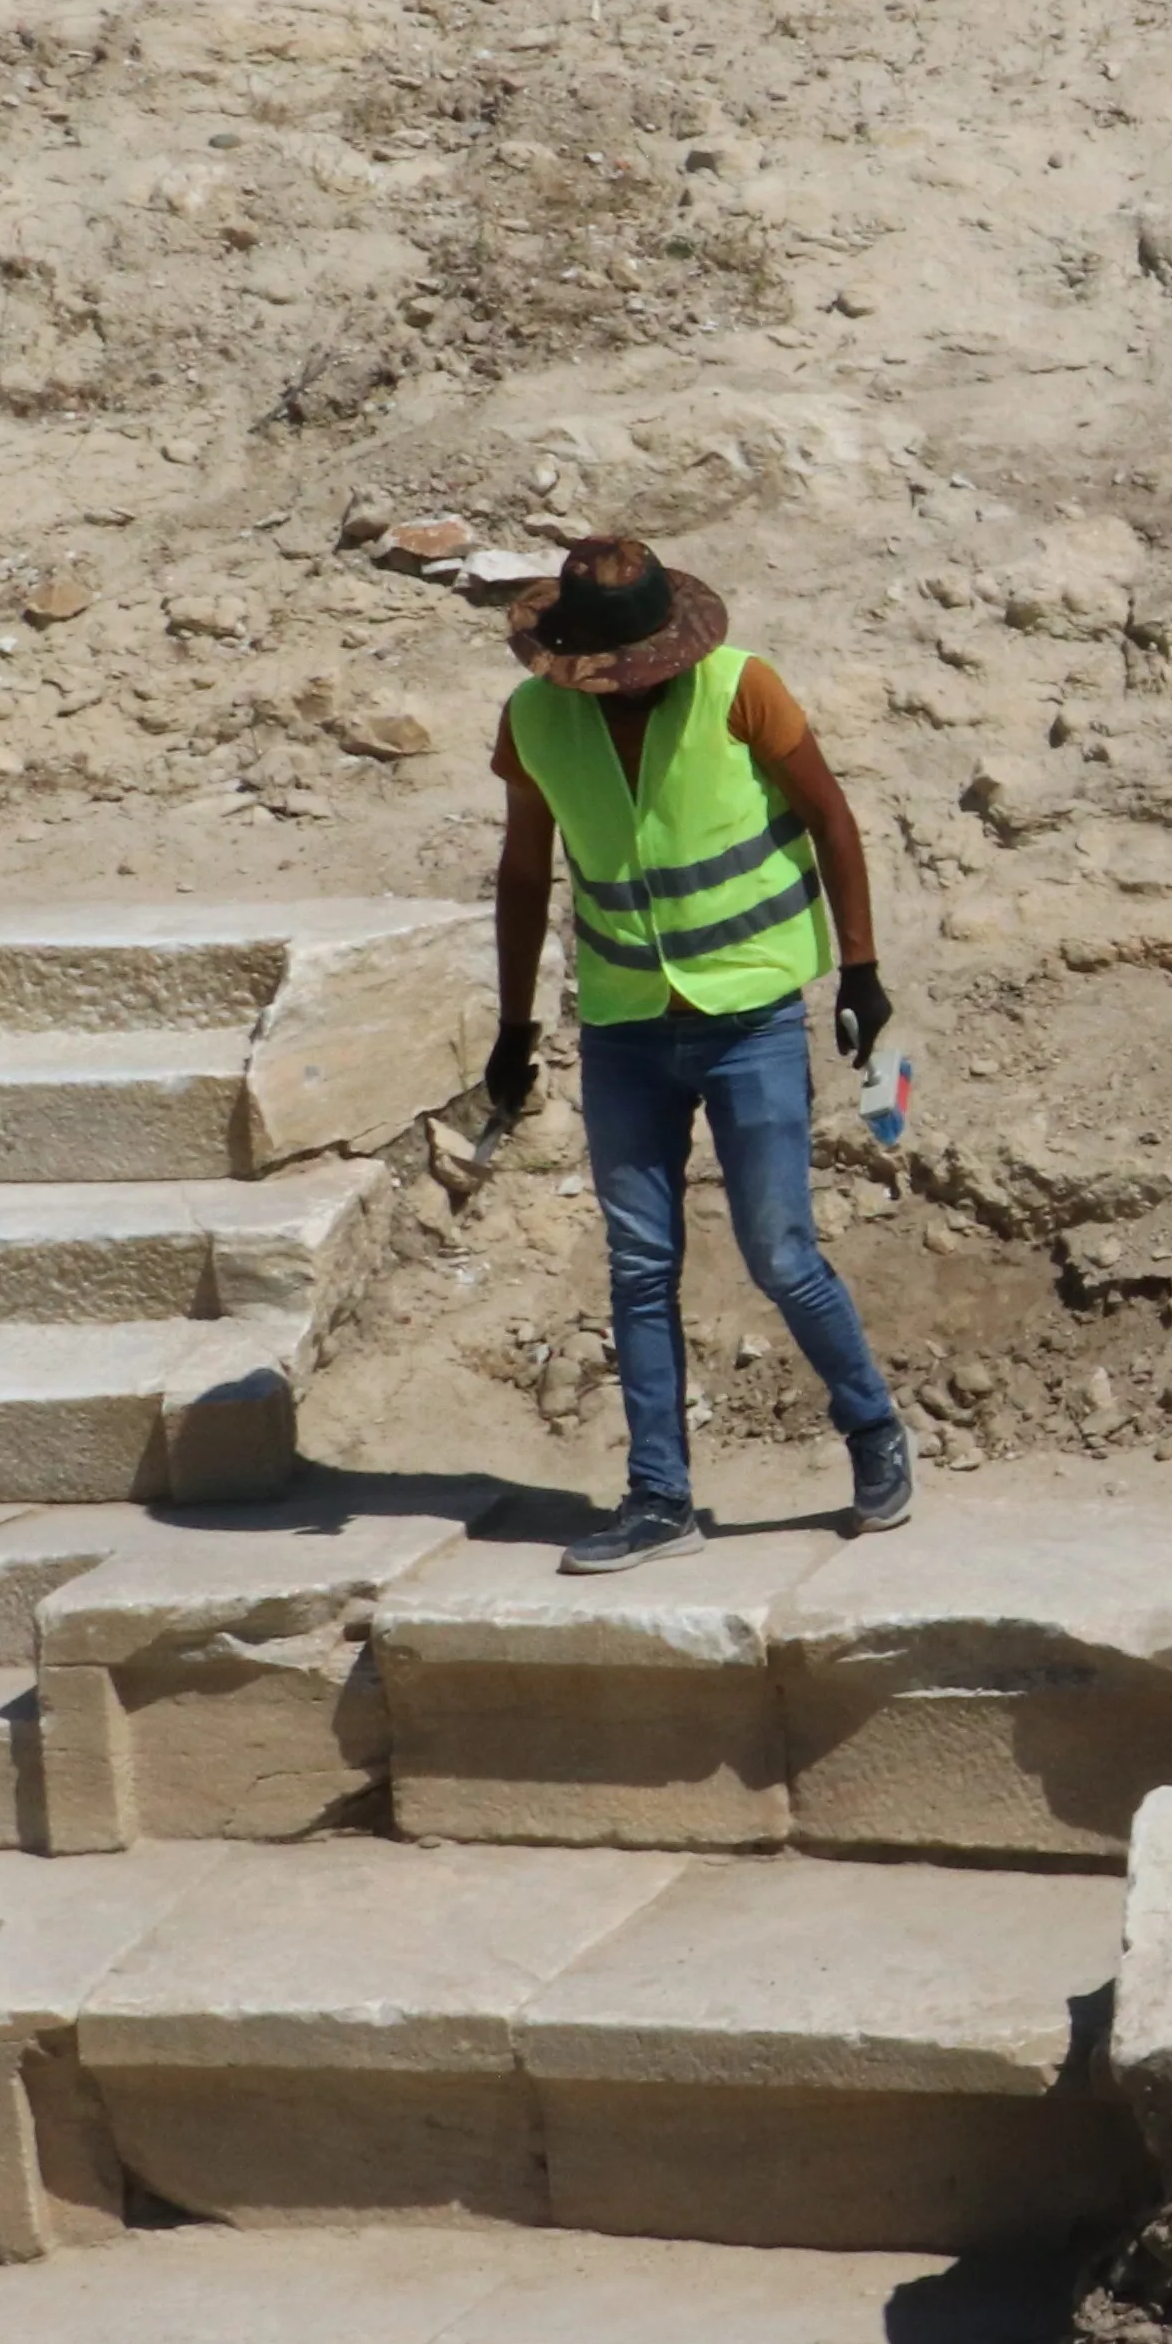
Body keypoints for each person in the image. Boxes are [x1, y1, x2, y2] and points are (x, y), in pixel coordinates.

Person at [481, 533, 911, 1576]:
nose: (632, 693)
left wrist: (858, 970)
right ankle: (658, 1497)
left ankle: (872, 1431)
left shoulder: (739, 688)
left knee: (778, 1251)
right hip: (626, 1024)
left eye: (646, 675)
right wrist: (513, 1026)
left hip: (751, 1015)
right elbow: (524, 873)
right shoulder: (533, 720)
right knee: (639, 1265)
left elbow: (830, 816)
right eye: (611, 679)